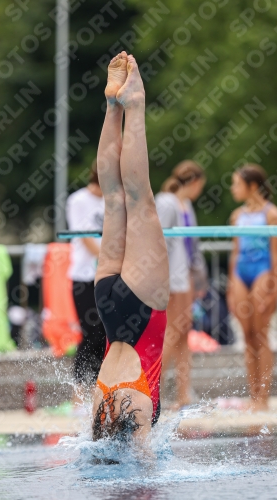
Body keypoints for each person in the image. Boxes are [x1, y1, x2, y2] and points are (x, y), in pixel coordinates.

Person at [92, 51, 169, 441]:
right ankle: (111, 106)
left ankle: (133, 105)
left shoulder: (135, 406)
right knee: (114, 199)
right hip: (106, 304)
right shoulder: (100, 405)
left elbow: (141, 471)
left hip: (141, 311)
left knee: (139, 199)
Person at [228, 164, 277, 412]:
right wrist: (230, 284)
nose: (232, 189)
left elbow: (276, 253)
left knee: (261, 335)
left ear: (252, 186)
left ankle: (264, 397)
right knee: (248, 336)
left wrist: (273, 287)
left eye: (236, 184)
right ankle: (253, 394)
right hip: (241, 272)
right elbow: (235, 251)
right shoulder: (237, 215)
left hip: (263, 270)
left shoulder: (272, 214)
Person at [155, 162, 208, 410]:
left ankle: (183, 393)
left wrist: (199, 278)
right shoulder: (167, 202)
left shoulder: (186, 205)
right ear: (195, 182)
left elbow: (191, 246)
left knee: (184, 334)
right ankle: (154, 389)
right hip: (172, 277)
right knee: (172, 333)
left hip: (184, 275)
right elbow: (159, 241)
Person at [66, 162, 106, 414]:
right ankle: (79, 394)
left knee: (105, 334)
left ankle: (97, 391)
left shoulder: (112, 201)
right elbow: (86, 238)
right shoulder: (78, 200)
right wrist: (111, 257)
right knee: (89, 333)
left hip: (106, 275)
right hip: (84, 275)